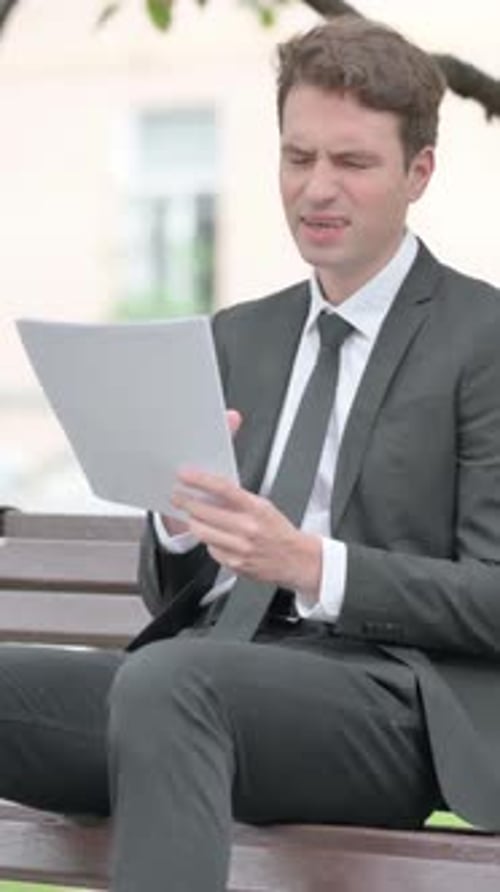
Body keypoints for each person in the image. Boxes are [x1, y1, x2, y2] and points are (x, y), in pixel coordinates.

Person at [1, 14, 500, 892]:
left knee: (171, 682)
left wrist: (314, 564)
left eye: (352, 162)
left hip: (386, 711)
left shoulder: (484, 338)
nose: (317, 189)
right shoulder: (243, 335)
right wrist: (179, 518)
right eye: (297, 157)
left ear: (419, 172)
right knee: (132, 682)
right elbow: (179, 598)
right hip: (204, 690)